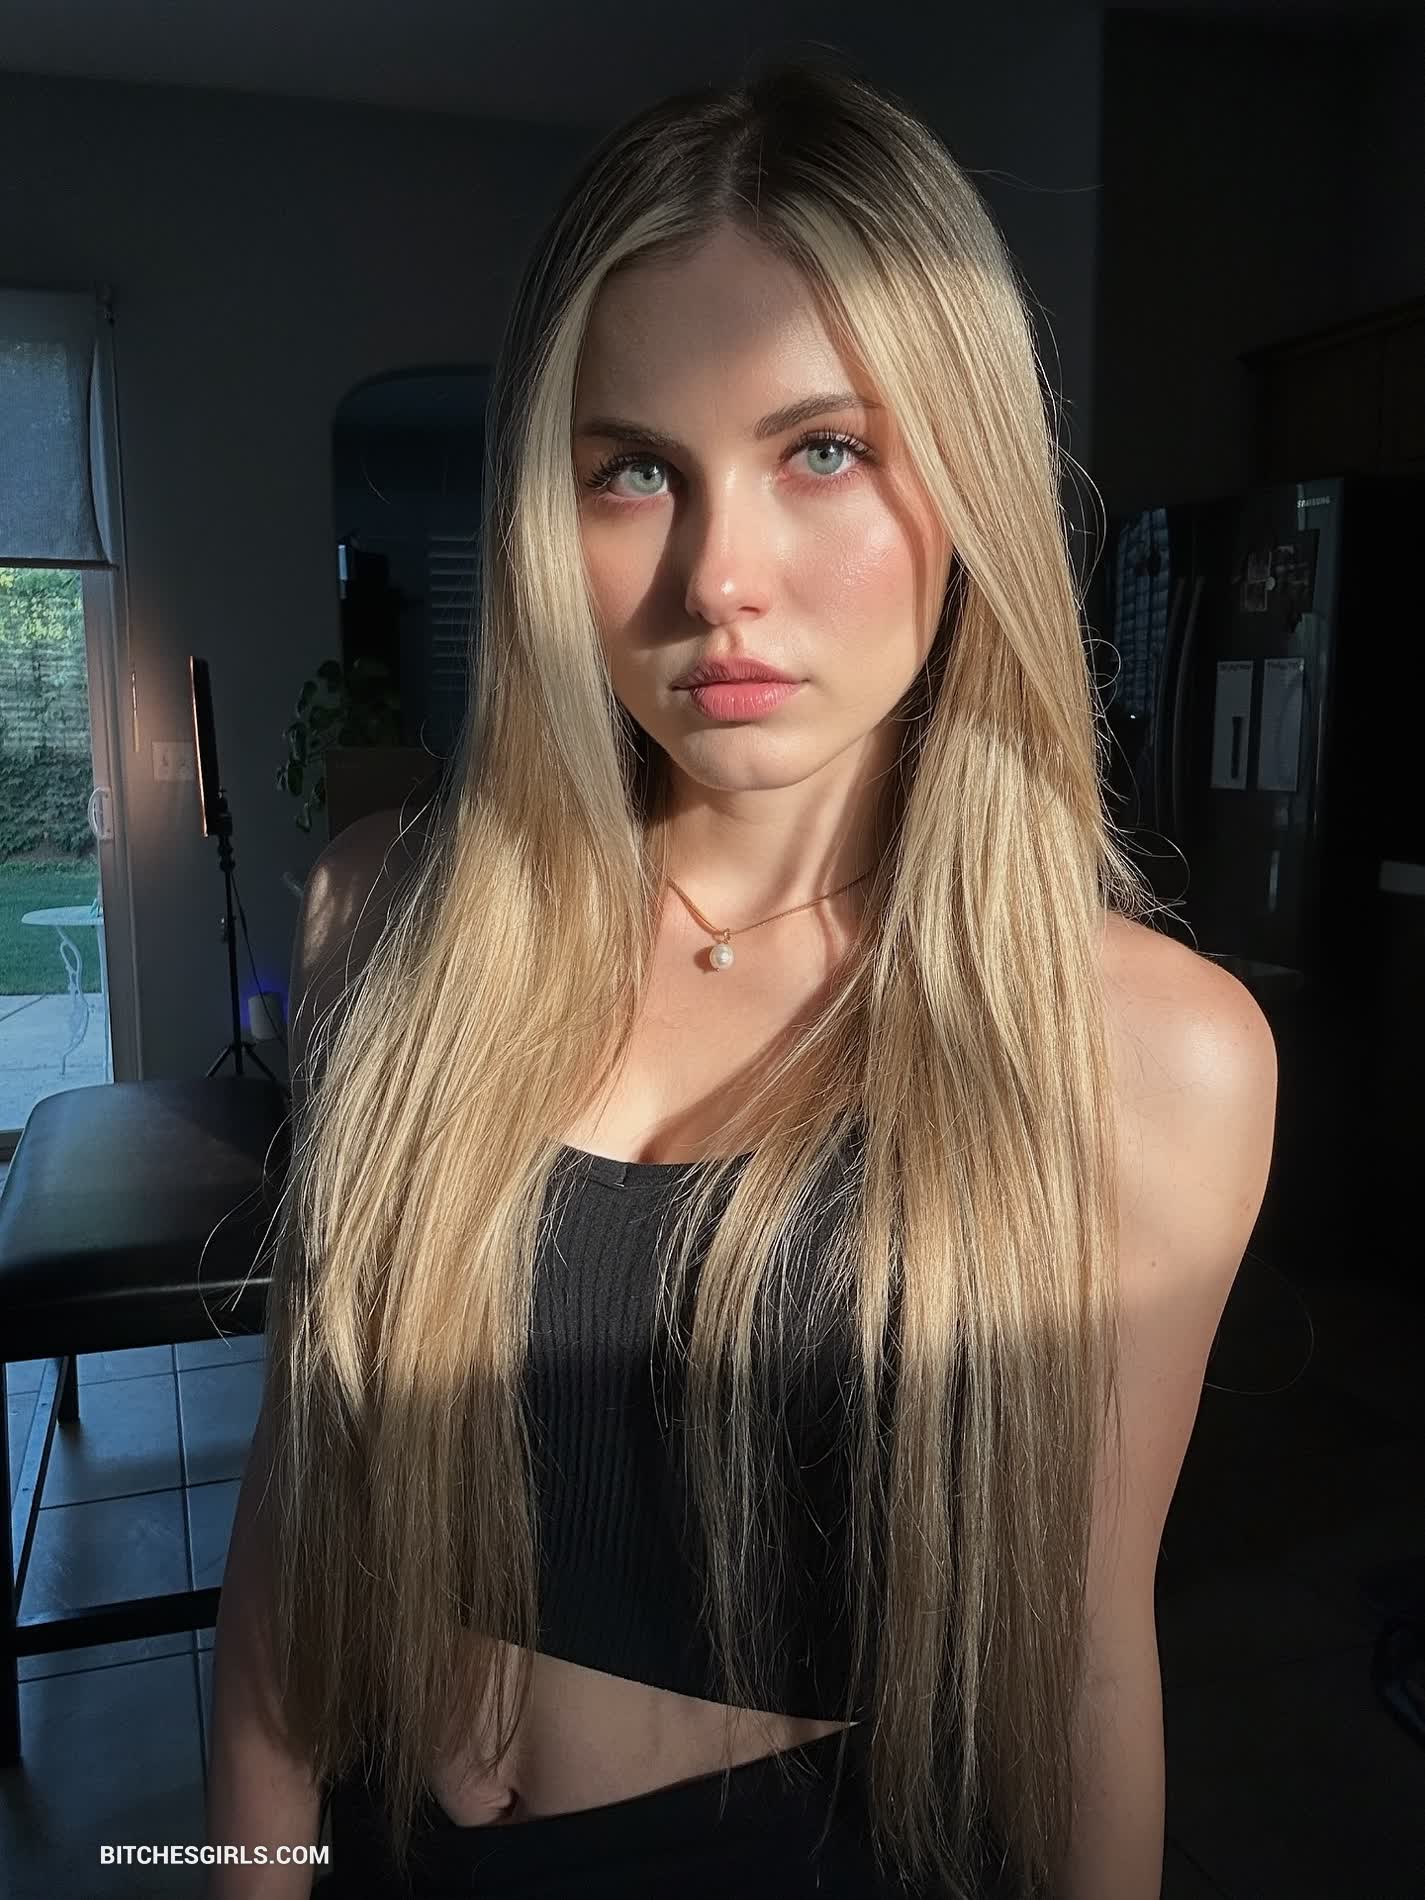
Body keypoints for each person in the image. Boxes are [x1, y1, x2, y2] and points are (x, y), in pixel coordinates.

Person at [204, 48, 1278, 1900]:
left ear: (969, 478)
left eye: (823, 450)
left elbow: (1085, 1665)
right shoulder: (383, 916)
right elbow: (298, 1525)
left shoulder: (1143, 1050)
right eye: (635, 469)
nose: (719, 578)